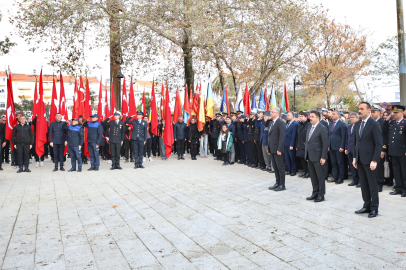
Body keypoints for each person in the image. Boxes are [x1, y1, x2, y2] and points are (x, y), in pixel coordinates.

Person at [353, 102, 383, 218]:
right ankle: (366, 205)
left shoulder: (374, 124)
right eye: (359, 109)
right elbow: (356, 142)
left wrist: (375, 160)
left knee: (372, 185)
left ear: (368, 110)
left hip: (370, 160)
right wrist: (355, 157)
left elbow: (378, 144)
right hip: (360, 159)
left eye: (362, 109)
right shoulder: (358, 123)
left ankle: (374, 208)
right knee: (364, 184)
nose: (359, 111)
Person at [305, 110, 328, 202]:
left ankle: (321, 194)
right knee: (313, 176)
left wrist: (323, 157)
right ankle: (315, 192)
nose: (310, 118)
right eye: (310, 116)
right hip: (310, 156)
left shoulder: (322, 128)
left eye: (312, 116)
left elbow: (325, 144)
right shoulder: (309, 127)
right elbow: (308, 142)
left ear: (318, 118)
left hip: (318, 156)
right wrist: (306, 155)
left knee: (320, 176)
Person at [385, 105, 406, 197]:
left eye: (396, 112)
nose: (394, 114)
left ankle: (405, 189)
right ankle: (398, 187)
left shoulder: (405, 123)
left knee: (404, 171)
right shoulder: (391, 123)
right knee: (396, 171)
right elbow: (384, 131)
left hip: (403, 151)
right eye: (394, 112)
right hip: (393, 151)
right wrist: (386, 120)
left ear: (402, 113)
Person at [267, 108, 286, 191]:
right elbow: (270, 137)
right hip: (272, 148)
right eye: (271, 112)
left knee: (280, 167)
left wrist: (279, 149)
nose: (270, 113)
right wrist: (268, 148)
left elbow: (282, 137)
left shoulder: (281, 123)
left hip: (278, 149)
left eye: (272, 112)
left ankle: (282, 184)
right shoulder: (271, 123)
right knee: (275, 166)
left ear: (277, 113)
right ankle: (277, 182)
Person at [327, 110, 347, 184]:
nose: (332, 115)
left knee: (340, 163)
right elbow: (329, 135)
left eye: (334, 114)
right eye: (332, 114)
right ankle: (335, 177)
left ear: (338, 115)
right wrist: (328, 146)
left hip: (339, 147)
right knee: (334, 163)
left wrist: (342, 146)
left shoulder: (342, 124)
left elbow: (343, 136)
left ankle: (340, 178)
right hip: (332, 146)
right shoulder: (331, 124)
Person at [371, 105, 386, 192]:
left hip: (379, 148)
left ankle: (380, 184)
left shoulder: (383, 123)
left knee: (379, 167)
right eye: (372, 112)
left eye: (374, 112)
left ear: (379, 113)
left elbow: (384, 137)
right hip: (371, 148)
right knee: (373, 167)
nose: (372, 114)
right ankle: (374, 183)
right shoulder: (371, 122)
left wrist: (383, 150)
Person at [345, 112, 360, 187]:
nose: (351, 118)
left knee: (358, 165)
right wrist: (346, 148)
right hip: (350, 149)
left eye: (353, 117)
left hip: (357, 149)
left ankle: (360, 180)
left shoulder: (359, 126)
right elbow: (347, 138)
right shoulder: (349, 127)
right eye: (350, 117)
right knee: (351, 165)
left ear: (358, 118)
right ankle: (355, 179)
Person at [284, 111, 299, 176]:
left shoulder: (295, 124)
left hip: (291, 144)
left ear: (292, 116)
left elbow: (294, 135)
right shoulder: (286, 124)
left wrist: (292, 144)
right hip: (285, 143)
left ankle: (293, 170)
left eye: (289, 115)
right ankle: (289, 170)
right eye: (287, 115)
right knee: (287, 158)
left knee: (292, 158)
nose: (287, 116)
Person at [296, 111, 310, 178]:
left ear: (306, 117)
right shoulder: (300, 124)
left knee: (306, 159)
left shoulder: (308, 124)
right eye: (300, 116)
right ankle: (304, 171)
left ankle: (308, 172)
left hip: (305, 145)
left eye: (302, 116)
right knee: (302, 159)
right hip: (300, 144)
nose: (300, 118)